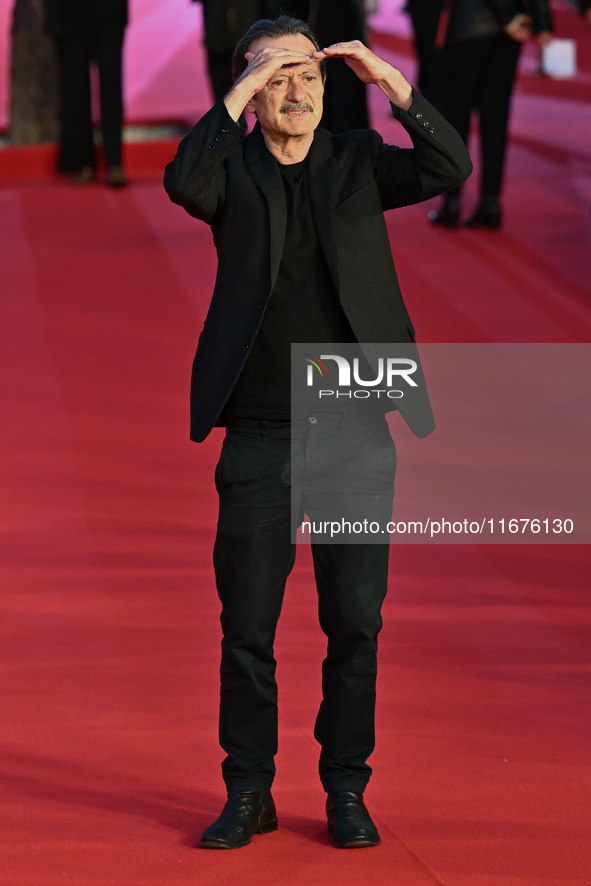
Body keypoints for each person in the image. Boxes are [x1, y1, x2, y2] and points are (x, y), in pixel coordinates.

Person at [164, 15, 471, 850]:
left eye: (308, 75)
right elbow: (183, 184)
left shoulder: (357, 160)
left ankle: (344, 788)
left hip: (354, 427)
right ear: (249, 98)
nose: (296, 92)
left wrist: (388, 83)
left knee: (355, 621)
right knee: (248, 630)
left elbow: (450, 165)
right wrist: (238, 86)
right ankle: (248, 790)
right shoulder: (229, 173)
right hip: (260, 431)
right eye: (276, 79)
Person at [428, 0, 553, 229]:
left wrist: (509, 20)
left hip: (471, 26)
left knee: (458, 115)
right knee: (496, 116)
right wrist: (542, 21)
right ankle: (491, 202)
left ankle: (452, 201)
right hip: (509, 31)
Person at [44, 0, 128, 186]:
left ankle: (114, 162)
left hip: (109, 12)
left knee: (111, 82)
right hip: (68, 13)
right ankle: (83, 163)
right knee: (75, 89)